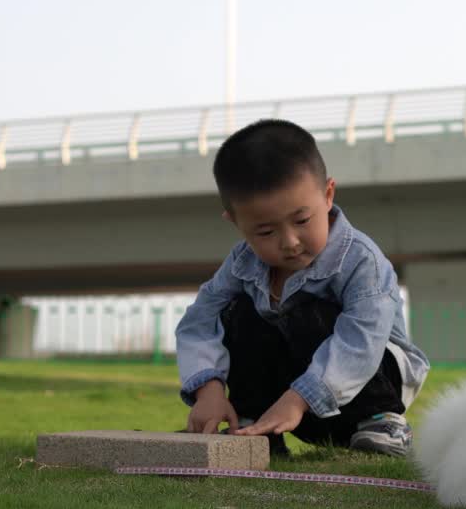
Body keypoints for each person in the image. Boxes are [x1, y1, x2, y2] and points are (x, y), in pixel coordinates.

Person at [175, 119, 429, 456]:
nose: (290, 242)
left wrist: (299, 399)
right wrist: (209, 390)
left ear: (327, 195)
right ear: (236, 222)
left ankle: (384, 424)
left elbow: (362, 341)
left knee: (305, 311)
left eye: (302, 221)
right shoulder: (241, 265)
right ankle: (256, 428)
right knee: (239, 311)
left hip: (360, 394)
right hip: (287, 409)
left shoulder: (361, 261)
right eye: (266, 232)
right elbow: (199, 323)